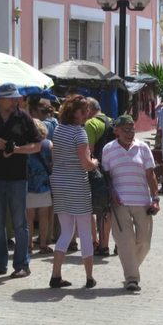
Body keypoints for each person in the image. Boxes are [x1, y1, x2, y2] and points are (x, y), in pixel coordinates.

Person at [0, 83, 41, 278]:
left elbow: (37, 145)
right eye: (11, 98)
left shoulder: (24, 117)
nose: (15, 101)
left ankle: (22, 265)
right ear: (0, 99)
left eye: (16, 98)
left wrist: (16, 150)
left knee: (20, 223)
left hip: (17, 178)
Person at [102, 114, 160, 292]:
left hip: (142, 202)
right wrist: (111, 192)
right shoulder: (108, 149)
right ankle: (131, 278)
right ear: (116, 131)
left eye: (132, 129)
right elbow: (105, 176)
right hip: (120, 204)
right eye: (125, 129)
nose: (130, 133)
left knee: (144, 242)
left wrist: (155, 199)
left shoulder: (143, 148)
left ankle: (131, 266)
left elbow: (151, 175)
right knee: (125, 242)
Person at [49, 94, 100, 289]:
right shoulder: (80, 133)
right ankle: (89, 278)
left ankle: (55, 275)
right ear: (75, 112)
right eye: (84, 111)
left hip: (60, 183)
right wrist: (95, 162)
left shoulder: (59, 130)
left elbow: (55, 156)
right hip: (77, 185)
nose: (87, 114)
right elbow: (86, 164)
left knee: (66, 231)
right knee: (85, 231)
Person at [85, 98, 115, 257]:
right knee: (108, 208)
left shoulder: (91, 124)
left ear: (90, 109)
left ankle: (95, 242)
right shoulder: (112, 121)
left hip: (95, 170)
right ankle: (108, 244)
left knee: (91, 207)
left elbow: (88, 151)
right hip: (111, 169)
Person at [25, 119, 54, 255]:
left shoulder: (25, 145)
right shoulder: (48, 144)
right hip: (44, 184)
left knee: (28, 217)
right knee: (44, 216)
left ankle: (29, 244)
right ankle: (43, 245)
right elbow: (52, 163)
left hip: (28, 184)